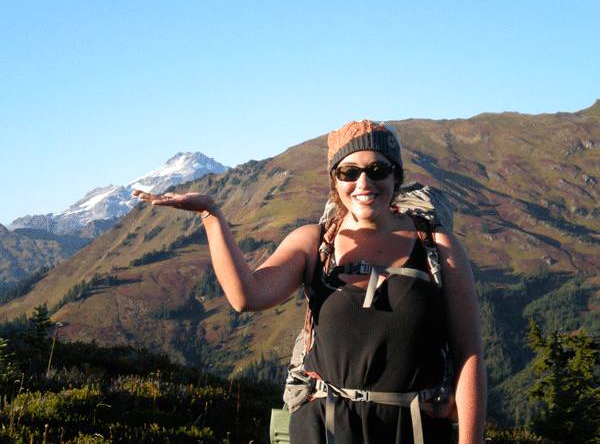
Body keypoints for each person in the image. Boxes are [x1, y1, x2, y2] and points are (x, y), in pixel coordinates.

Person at [133, 120, 487, 444]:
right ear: (334, 180)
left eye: (377, 169)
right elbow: (246, 296)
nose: (363, 183)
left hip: (412, 431)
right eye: (349, 172)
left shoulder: (437, 246)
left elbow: (468, 355)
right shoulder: (313, 242)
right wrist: (211, 215)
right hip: (323, 429)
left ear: (395, 177)